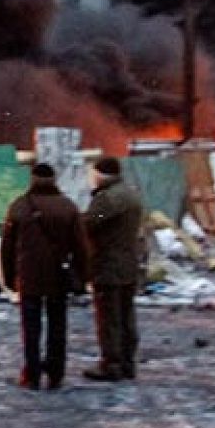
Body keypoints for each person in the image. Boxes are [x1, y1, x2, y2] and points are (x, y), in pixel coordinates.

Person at [0, 163, 88, 391]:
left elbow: (7, 247)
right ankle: (56, 373)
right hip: (58, 276)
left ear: (32, 179)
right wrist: (82, 276)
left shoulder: (19, 207)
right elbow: (81, 247)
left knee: (31, 328)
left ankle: (32, 374)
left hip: (29, 278)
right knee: (58, 326)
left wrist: (10, 278)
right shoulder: (68, 207)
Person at [82, 156, 146, 382]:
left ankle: (111, 365)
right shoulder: (131, 194)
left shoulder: (108, 199)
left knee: (109, 318)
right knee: (126, 316)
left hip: (109, 265)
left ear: (101, 173)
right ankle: (128, 363)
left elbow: (90, 222)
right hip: (128, 264)